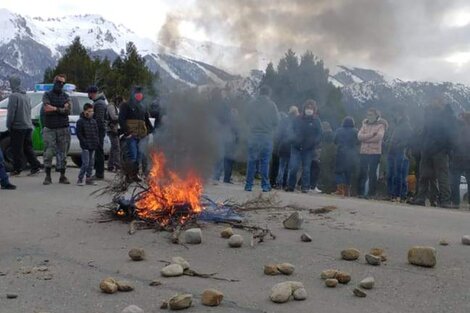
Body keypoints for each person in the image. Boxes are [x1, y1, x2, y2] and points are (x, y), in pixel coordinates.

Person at [411, 101, 454, 207]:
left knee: (437, 176)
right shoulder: (432, 119)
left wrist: (445, 149)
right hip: (430, 151)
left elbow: (450, 136)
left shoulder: (444, 118)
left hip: (436, 151)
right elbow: (425, 134)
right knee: (428, 176)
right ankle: (433, 199)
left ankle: (442, 200)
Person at [244, 85, 279, 192]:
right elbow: (276, 121)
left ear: (260, 93)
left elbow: (246, 118)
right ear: (268, 94)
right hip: (266, 136)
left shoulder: (252, 104)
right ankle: (265, 186)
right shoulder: (272, 105)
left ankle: (248, 185)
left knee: (251, 161)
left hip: (253, 135)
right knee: (264, 162)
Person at [6, 76, 41, 176]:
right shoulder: (26, 96)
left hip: (17, 126)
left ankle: (17, 169)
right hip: (27, 126)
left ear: (13, 83)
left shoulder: (13, 96)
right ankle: (35, 166)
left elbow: (11, 113)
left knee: (16, 149)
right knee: (27, 147)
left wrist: (9, 125)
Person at [287, 99, 323, 193]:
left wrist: (314, 143)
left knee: (306, 168)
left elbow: (319, 134)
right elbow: (291, 129)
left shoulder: (316, 121)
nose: (309, 110)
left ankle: (305, 187)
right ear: (304, 108)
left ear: (314, 110)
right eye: (307, 108)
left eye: (311, 108)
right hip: (296, 147)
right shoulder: (297, 119)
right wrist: (293, 139)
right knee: (294, 167)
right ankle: (290, 186)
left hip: (309, 149)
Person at [119, 86, 153, 182]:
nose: (139, 95)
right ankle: (128, 175)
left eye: (140, 93)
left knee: (139, 156)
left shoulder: (143, 107)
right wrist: (127, 132)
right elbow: (121, 120)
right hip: (131, 135)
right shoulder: (126, 105)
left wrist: (150, 131)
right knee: (132, 156)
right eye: (137, 93)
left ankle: (134, 174)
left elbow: (146, 121)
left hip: (141, 136)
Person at [42, 74, 71, 185]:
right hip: (50, 128)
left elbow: (68, 110)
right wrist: (61, 109)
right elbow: (46, 108)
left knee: (63, 153)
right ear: (55, 82)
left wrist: (54, 108)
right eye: (59, 82)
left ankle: (62, 176)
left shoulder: (66, 96)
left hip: (63, 128)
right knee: (48, 153)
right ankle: (48, 176)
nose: (61, 84)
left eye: (63, 83)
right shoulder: (47, 94)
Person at [357, 108, 388, 198]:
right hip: (364, 152)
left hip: (375, 153)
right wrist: (371, 135)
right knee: (362, 172)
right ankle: (360, 192)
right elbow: (359, 136)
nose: (369, 116)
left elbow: (379, 137)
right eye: (368, 114)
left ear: (376, 116)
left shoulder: (381, 126)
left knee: (372, 173)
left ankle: (371, 193)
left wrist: (365, 139)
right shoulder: (364, 124)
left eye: (371, 115)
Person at [386, 110, 412, 201]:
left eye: (397, 113)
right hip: (391, 152)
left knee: (399, 174)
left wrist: (398, 146)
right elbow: (390, 138)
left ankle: (400, 195)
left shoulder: (406, 126)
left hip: (401, 152)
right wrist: (387, 144)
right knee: (390, 174)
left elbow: (408, 140)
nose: (396, 115)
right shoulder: (395, 125)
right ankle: (390, 194)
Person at [275, 106, 299, 189]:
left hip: (283, 145)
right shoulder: (297, 121)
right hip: (292, 147)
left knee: (281, 166)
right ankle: (287, 184)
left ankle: (279, 183)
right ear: (296, 113)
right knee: (289, 168)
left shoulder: (284, 120)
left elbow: (279, 133)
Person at [334, 116, 359, 197]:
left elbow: (335, 141)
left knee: (338, 172)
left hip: (341, 153)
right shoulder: (356, 131)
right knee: (348, 173)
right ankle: (347, 191)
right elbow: (358, 142)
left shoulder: (339, 130)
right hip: (352, 154)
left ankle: (340, 190)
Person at [449, 112, 470, 208]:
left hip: (458, 158)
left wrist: (452, 152)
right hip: (466, 158)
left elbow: (456, 143)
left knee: (454, 181)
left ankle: (455, 202)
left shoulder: (460, 130)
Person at [86, 85, 107, 180]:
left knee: (99, 152)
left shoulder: (99, 104)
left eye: (89, 93)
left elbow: (99, 120)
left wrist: (95, 131)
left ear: (92, 93)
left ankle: (99, 173)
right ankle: (98, 172)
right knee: (98, 152)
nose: (88, 95)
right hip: (99, 130)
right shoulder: (99, 102)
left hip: (98, 131)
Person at [76, 103, 99, 186]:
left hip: (93, 145)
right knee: (85, 163)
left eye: (92, 111)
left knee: (91, 163)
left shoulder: (93, 121)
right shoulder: (80, 122)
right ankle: (80, 178)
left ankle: (88, 178)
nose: (91, 113)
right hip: (85, 146)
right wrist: (84, 142)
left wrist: (97, 141)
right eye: (89, 111)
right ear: (85, 111)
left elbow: (96, 132)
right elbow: (79, 134)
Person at [106, 95, 122, 172]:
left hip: (114, 129)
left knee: (113, 148)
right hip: (112, 129)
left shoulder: (113, 106)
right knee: (116, 148)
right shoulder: (111, 106)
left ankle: (110, 165)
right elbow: (114, 117)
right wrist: (122, 116)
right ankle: (117, 166)